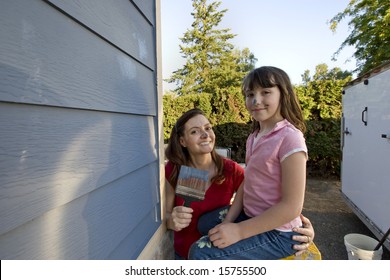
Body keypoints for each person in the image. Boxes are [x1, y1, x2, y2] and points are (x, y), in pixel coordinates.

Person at [188, 66, 309, 260]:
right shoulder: (254, 137)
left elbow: (291, 207)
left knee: (199, 253)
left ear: (283, 94)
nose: (255, 100)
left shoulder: (290, 138)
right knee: (204, 224)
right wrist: (229, 221)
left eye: (266, 92)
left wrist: (239, 231)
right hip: (250, 214)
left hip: (279, 233)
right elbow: (248, 182)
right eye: (250, 94)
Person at [165, 107, 314, 260]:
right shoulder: (173, 169)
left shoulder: (230, 170)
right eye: (194, 131)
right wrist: (171, 221)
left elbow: (264, 197)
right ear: (182, 141)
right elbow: (166, 215)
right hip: (181, 254)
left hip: (222, 252)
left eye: (208, 128)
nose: (205, 135)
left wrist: (299, 225)